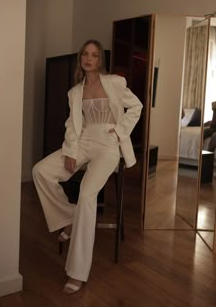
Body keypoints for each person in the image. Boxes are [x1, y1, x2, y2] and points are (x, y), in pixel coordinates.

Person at [32, 39, 143, 294]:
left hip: (108, 145)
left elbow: (136, 106)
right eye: (85, 54)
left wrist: (119, 131)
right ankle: (67, 216)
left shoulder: (115, 82)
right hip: (82, 142)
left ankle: (77, 272)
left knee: (86, 195)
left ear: (99, 60)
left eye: (94, 55)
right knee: (40, 171)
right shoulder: (75, 92)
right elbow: (73, 124)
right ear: (81, 59)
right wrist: (71, 150)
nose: (89, 58)